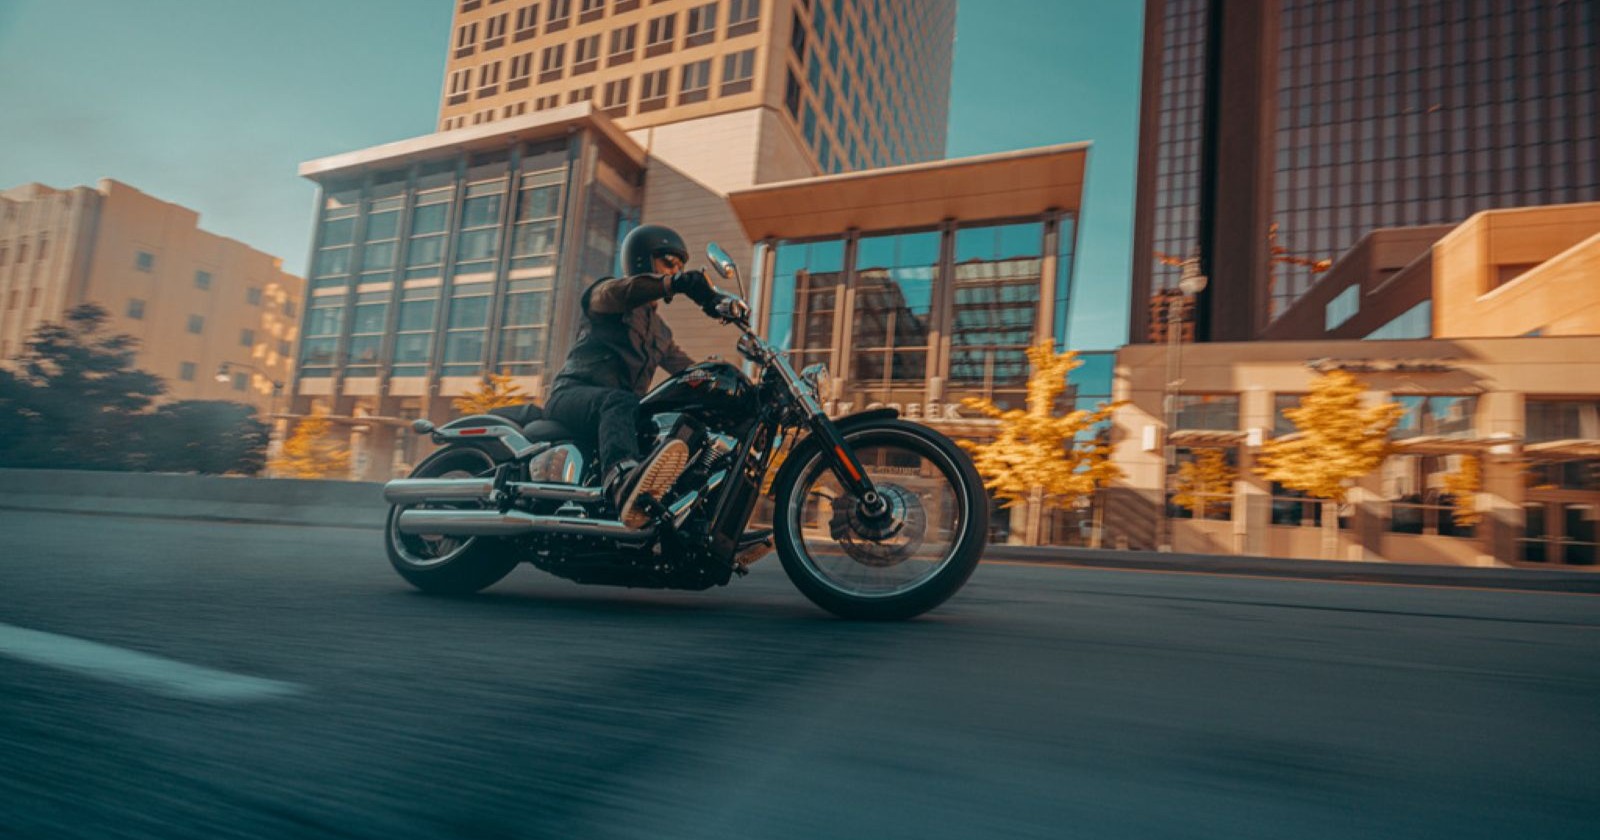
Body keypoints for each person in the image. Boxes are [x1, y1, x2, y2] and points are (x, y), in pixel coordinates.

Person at [545, 224, 746, 527]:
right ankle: (623, 482)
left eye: (680, 266)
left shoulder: (661, 332)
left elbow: (686, 369)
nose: (675, 269)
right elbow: (622, 291)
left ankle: (689, 516)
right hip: (573, 395)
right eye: (669, 262)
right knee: (620, 401)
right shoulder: (609, 295)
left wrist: (717, 375)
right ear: (643, 261)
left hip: (623, 412)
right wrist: (678, 283)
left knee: (678, 425)